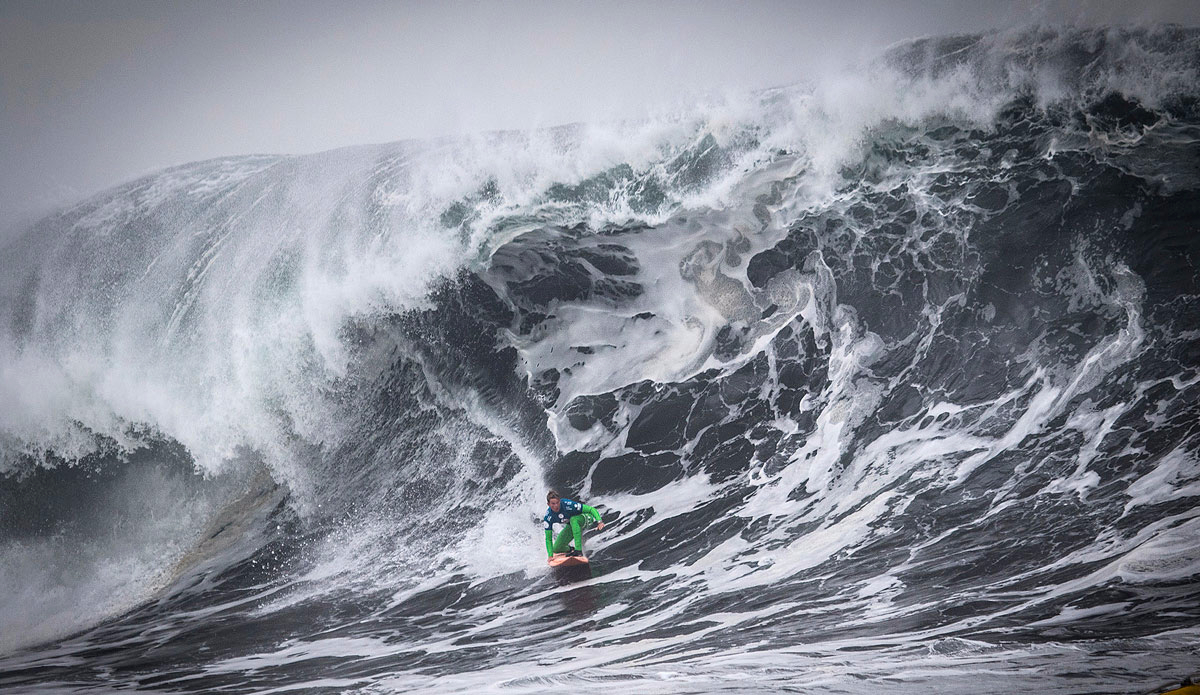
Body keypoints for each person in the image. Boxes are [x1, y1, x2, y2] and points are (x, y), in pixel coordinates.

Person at [543, 489, 604, 558]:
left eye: (557, 502)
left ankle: (578, 551)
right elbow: (548, 539)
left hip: (586, 518)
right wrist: (550, 556)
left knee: (573, 519)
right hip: (573, 525)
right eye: (553, 504)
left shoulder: (568, 505)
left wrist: (599, 522)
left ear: (560, 501)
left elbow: (591, 509)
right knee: (556, 549)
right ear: (548, 504)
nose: (556, 505)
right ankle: (571, 549)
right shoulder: (548, 517)